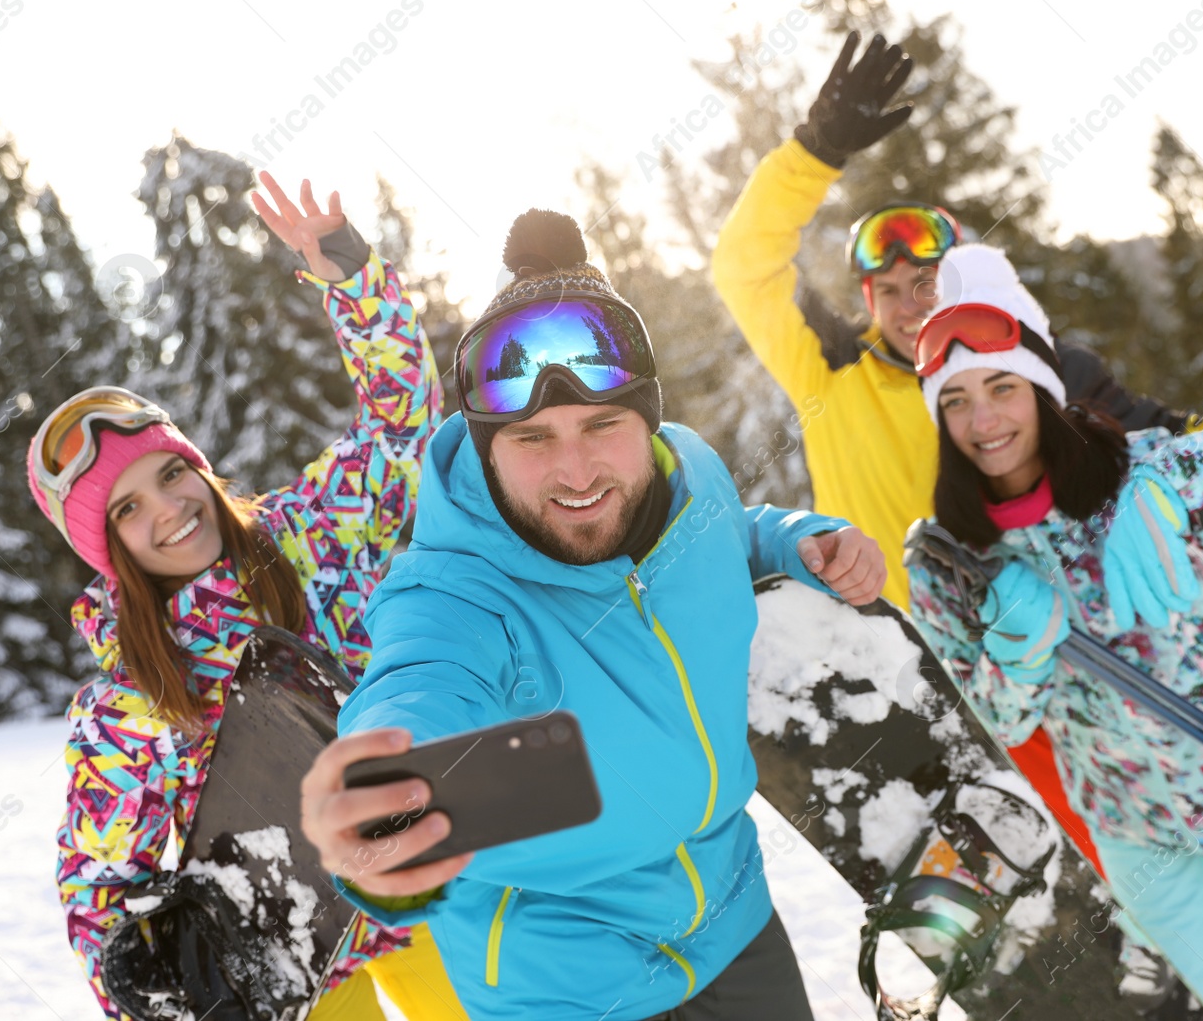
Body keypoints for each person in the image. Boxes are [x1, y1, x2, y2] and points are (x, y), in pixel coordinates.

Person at [710, 29, 1203, 884]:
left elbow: (1169, 438)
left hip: (1024, 670)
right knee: (992, 907)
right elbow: (744, 268)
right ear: (866, 301)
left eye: (931, 282)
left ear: (963, 282)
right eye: (890, 289)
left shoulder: (1030, 377)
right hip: (899, 680)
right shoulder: (831, 369)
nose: (911, 303)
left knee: (1099, 890)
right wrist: (815, 152)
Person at [298, 208, 887, 1021]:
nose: (575, 469)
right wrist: (388, 785)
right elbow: (420, 676)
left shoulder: (690, 480)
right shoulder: (454, 590)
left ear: (647, 425)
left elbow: (726, 537)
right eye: (532, 437)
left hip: (733, 920)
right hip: (563, 984)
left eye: (603, 425)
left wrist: (797, 541)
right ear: (482, 446)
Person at [31, 173, 466, 1019]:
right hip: (291, 953)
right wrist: (147, 983)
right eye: (127, 509)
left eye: (170, 473)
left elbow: (400, 426)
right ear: (106, 547)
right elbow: (95, 886)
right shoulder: (129, 702)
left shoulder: (310, 538)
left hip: (422, 889)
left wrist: (349, 276)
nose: (169, 510)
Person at [905, 243, 1203, 1021]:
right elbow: (1001, 722)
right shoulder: (950, 557)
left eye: (1003, 387)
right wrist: (1018, 653)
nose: (982, 420)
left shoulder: (1148, 470)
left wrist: (1181, 478)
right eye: (955, 400)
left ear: (1044, 391)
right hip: (1127, 822)